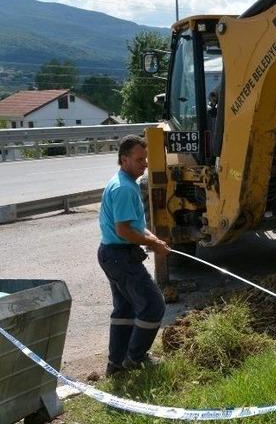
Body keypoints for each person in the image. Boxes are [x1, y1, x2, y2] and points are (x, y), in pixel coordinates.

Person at [98, 135, 170, 376]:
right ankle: (134, 358)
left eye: (146, 159)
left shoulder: (122, 182)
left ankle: (116, 365)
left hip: (113, 254)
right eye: (140, 160)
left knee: (125, 310)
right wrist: (153, 243)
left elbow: (134, 227)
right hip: (120, 256)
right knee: (153, 306)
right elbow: (124, 230)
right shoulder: (124, 189)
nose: (145, 164)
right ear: (124, 159)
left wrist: (154, 240)